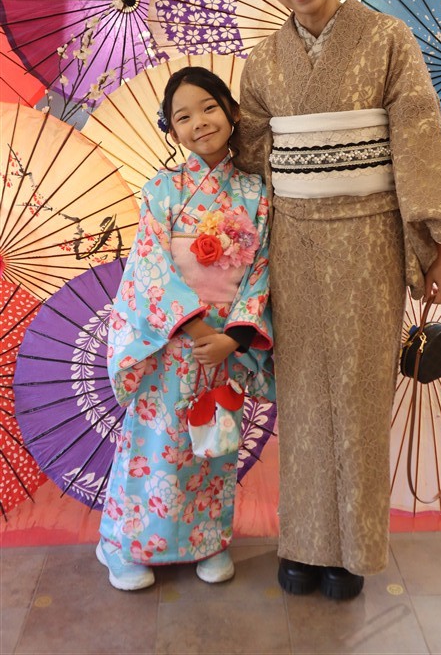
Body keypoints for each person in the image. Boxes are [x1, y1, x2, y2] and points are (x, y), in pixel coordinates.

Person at [233, 0, 441, 601]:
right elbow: (252, 159)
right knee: (303, 397)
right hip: (294, 244)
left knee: (362, 396)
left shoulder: (387, 39)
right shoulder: (262, 62)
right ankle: (306, 544)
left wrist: (440, 246)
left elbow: (418, 141)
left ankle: (354, 547)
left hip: (370, 242)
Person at [97, 67, 274, 591]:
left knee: (213, 446)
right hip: (170, 341)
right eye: (183, 116)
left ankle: (207, 543)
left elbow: (262, 267)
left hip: (225, 345)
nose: (199, 122)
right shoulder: (162, 190)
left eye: (209, 107)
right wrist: (197, 331)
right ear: (172, 131)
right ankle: (123, 545)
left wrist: (234, 338)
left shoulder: (257, 192)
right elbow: (149, 268)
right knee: (156, 446)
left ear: (233, 112)